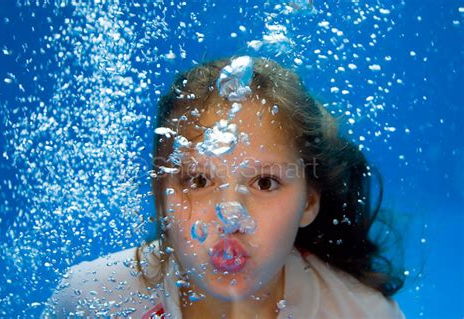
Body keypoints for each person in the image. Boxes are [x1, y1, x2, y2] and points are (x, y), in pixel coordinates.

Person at [42, 56, 405, 318]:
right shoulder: (92, 299)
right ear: (161, 195)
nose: (230, 217)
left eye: (265, 182)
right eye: (198, 180)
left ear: (309, 200)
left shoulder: (363, 313)